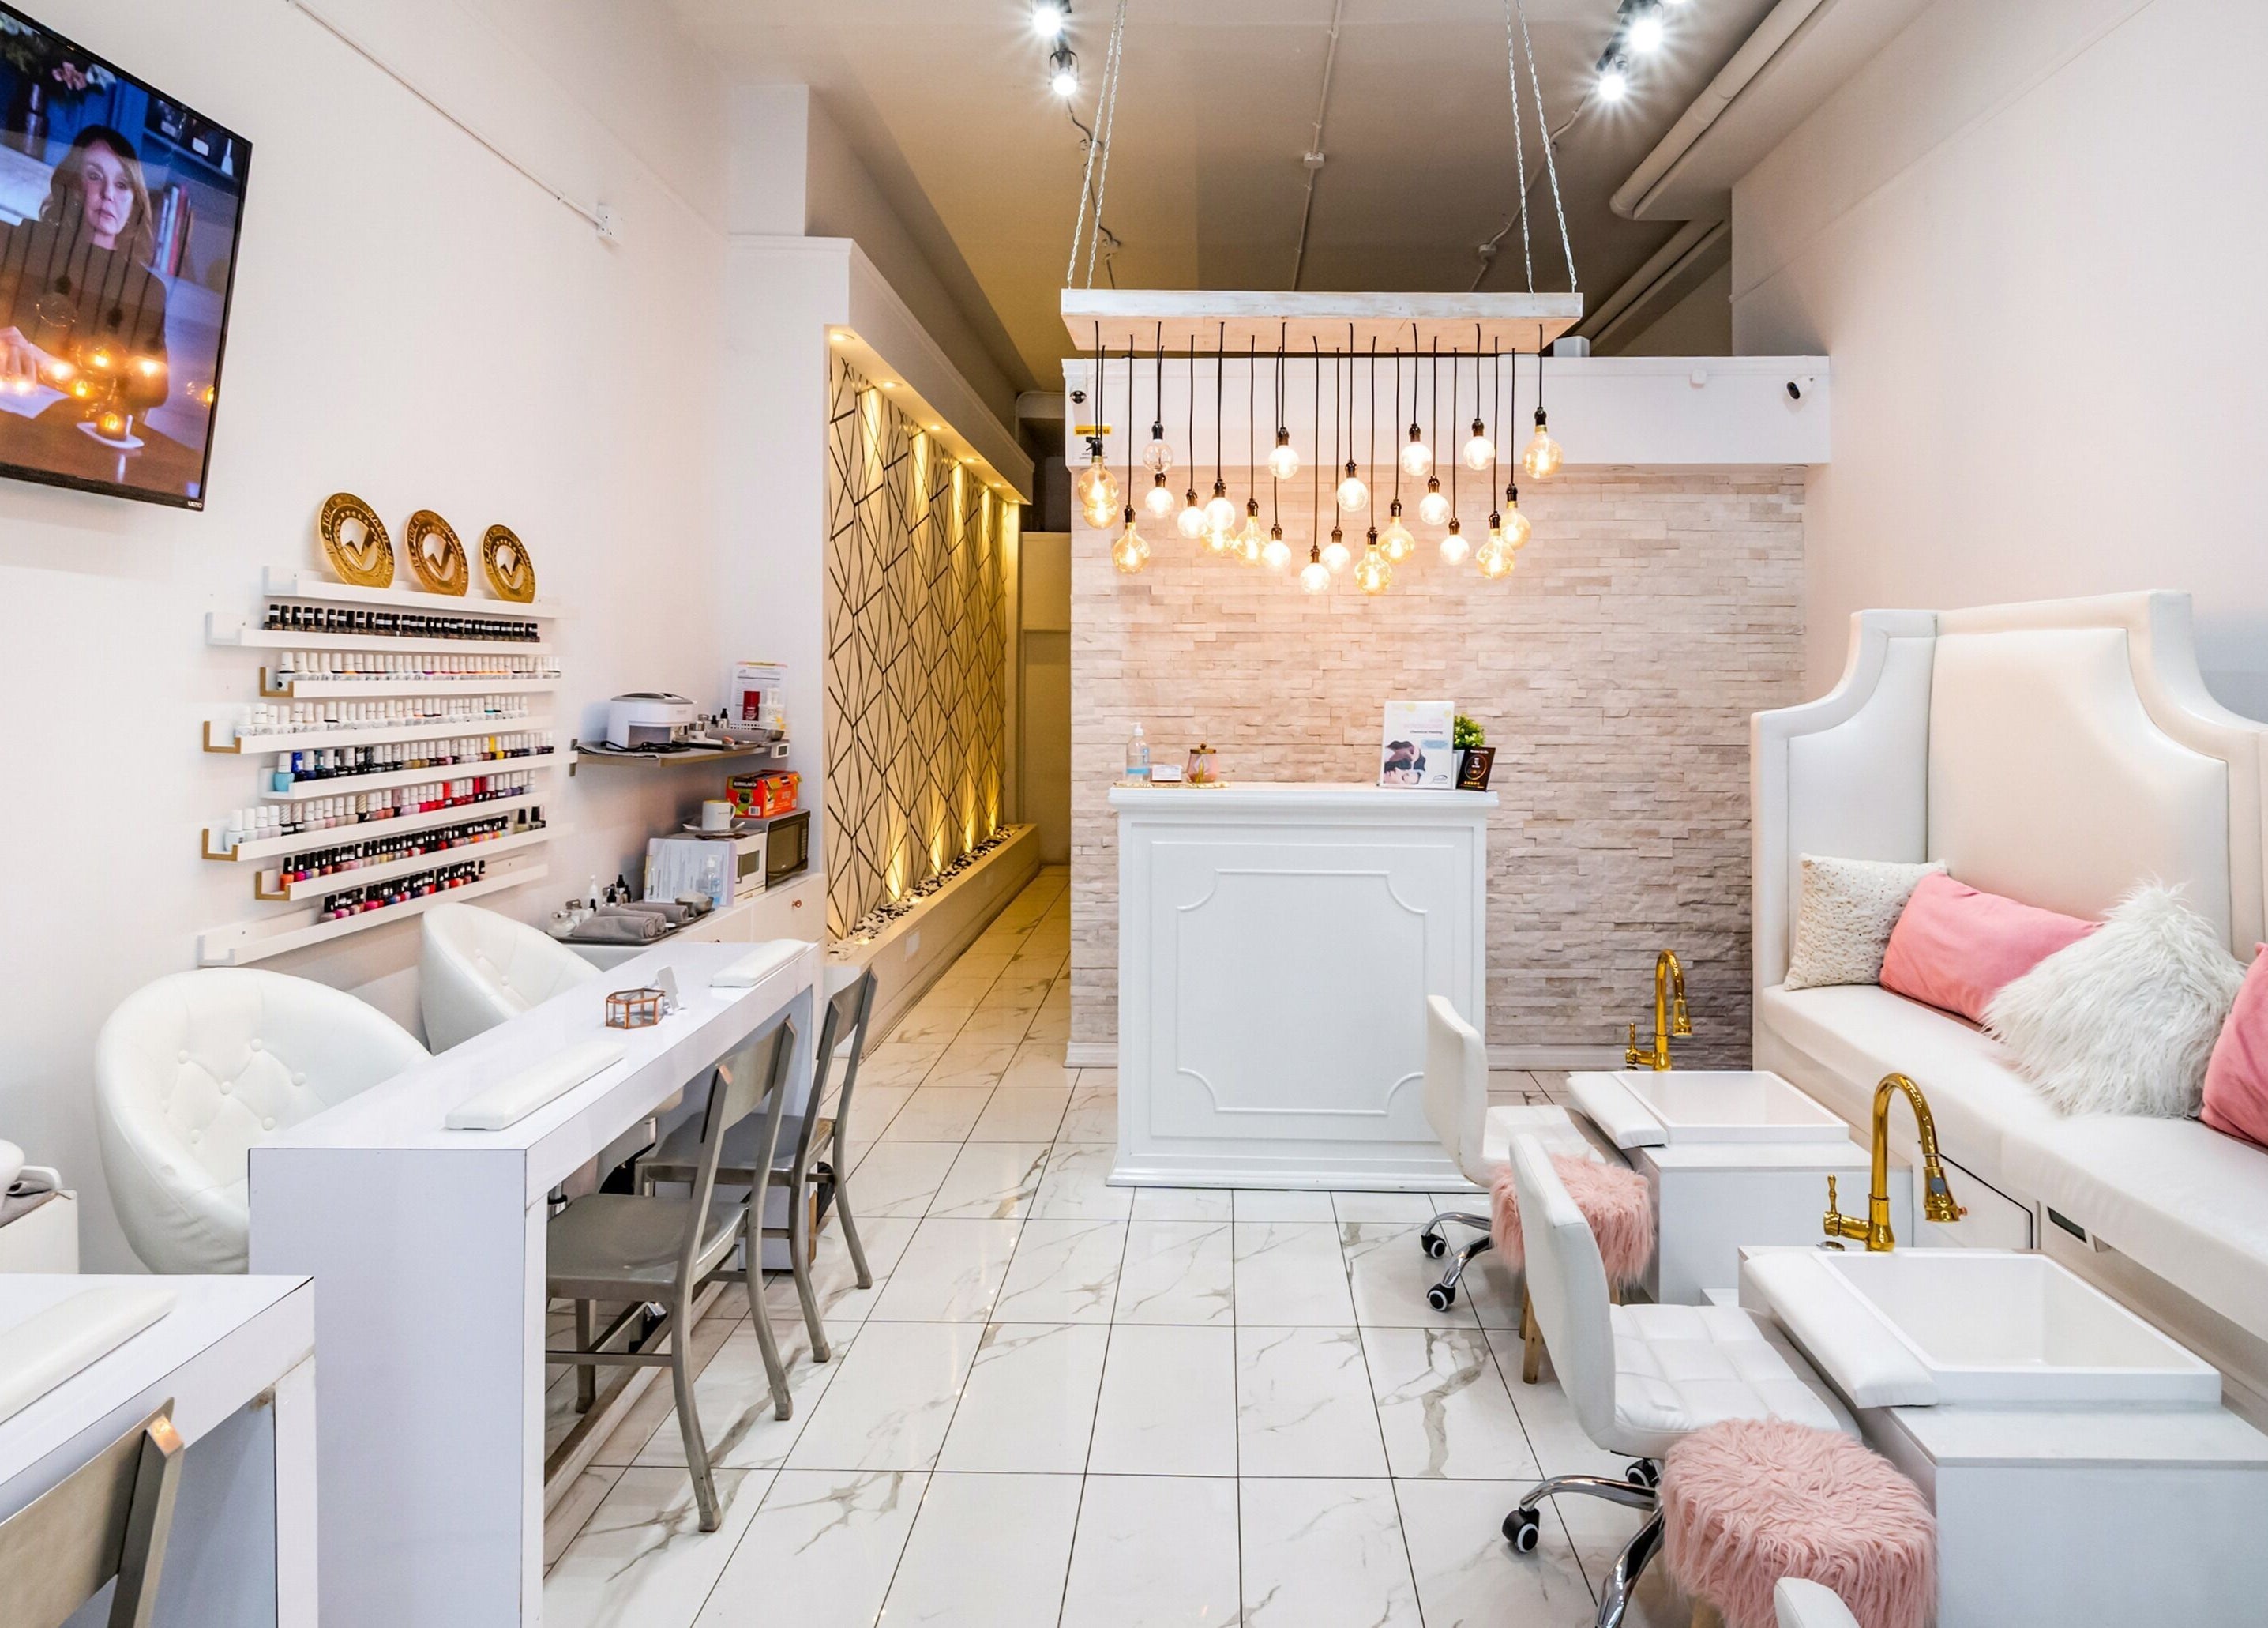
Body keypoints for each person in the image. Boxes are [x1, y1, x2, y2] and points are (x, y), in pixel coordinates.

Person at [0, 124, 171, 412]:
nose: (107, 194)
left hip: (88, 427)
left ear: (134, 200)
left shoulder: (148, 290)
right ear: (74, 185)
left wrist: (50, 364)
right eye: (94, 176)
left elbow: (153, 392)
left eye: (122, 184)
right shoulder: (25, 243)